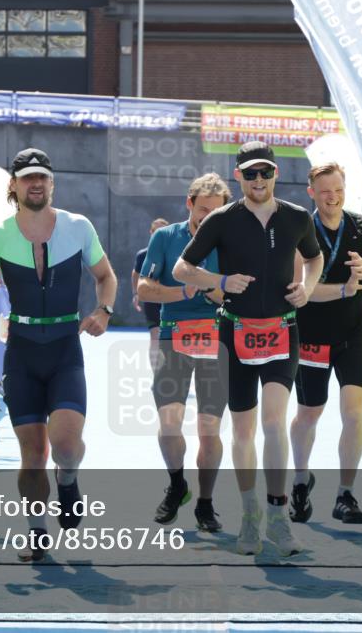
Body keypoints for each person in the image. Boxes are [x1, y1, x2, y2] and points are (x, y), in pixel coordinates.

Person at [0, 148, 117, 562]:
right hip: (22, 352)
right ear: (13, 185)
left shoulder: (78, 227)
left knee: (65, 446)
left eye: (42, 177)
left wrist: (103, 310)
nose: (35, 183)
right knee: (32, 455)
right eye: (28, 177)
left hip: (65, 348)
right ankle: (37, 533)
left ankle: (68, 479)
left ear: (52, 184)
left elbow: (105, 276)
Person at [173, 141, 323, 557]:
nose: (259, 180)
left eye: (266, 172)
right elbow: (182, 268)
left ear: (276, 174)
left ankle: (277, 515)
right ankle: (250, 514)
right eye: (251, 173)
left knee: (274, 422)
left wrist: (307, 288)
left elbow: (314, 259)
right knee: (243, 430)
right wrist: (219, 282)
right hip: (235, 331)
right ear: (238, 176)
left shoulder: (296, 217)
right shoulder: (221, 219)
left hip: (282, 329)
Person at [290, 162, 362, 526]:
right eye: (325, 192)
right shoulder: (300, 228)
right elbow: (301, 292)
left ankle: (345, 494)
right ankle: (301, 479)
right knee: (309, 413)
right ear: (311, 193)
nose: (332, 197)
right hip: (311, 337)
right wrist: (344, 290)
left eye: (338, 190)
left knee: (354, 413)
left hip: (353, 336)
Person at [138, 175, 229, 531]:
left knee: (209, 429)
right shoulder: (165, 237)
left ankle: (206, 503)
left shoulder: (230, 239)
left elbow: (235, 292)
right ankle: (177, 484)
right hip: (172, 336)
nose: (208, 218)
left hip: (217, 338)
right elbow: (145, 289)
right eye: (203, 209)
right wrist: (184, 293)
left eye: (216, 213)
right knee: (169, 423)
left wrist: (208, 288)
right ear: (189, 203)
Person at [132, 218, 169, 367]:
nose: (159, 235)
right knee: (155, 336)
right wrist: (136, 293)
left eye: (163, 232)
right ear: (151, 232)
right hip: (151, 301)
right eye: (156, 232)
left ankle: (174, 373)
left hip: (171, 301)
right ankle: (156, 375)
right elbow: (135, 274)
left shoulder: (175, 254)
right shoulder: (142, 255)